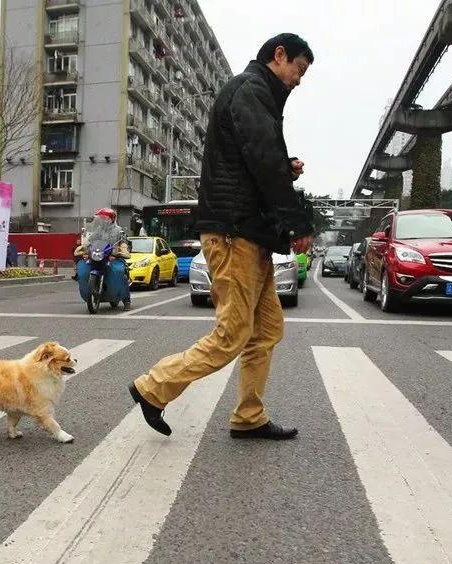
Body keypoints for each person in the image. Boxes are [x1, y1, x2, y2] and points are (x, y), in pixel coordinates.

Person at [128, 33, 315, 440]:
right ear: (279, 56)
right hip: (233, 233)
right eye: (298, 70)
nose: (298, 80)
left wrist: (286, 166)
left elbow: (256, 159)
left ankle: (249, 417)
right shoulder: (251, 91)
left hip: (250, 232)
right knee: (232, 335)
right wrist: (298, 223)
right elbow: (263, 162)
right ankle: (152, 387)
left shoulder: (258, 95)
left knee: (266, 329)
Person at [75, 208, 132, 310]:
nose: (102, 221)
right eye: (100, 219)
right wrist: (84, 248)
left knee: (120, 272)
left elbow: (123, 242)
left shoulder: (119, 231)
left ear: (112, 219)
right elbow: (89, 241)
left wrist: (123, 251)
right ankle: (86, 289)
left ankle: (126, 300)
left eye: (105, 218)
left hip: (114, 257)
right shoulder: (98, 230)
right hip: (98, 255)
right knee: (82, 268)